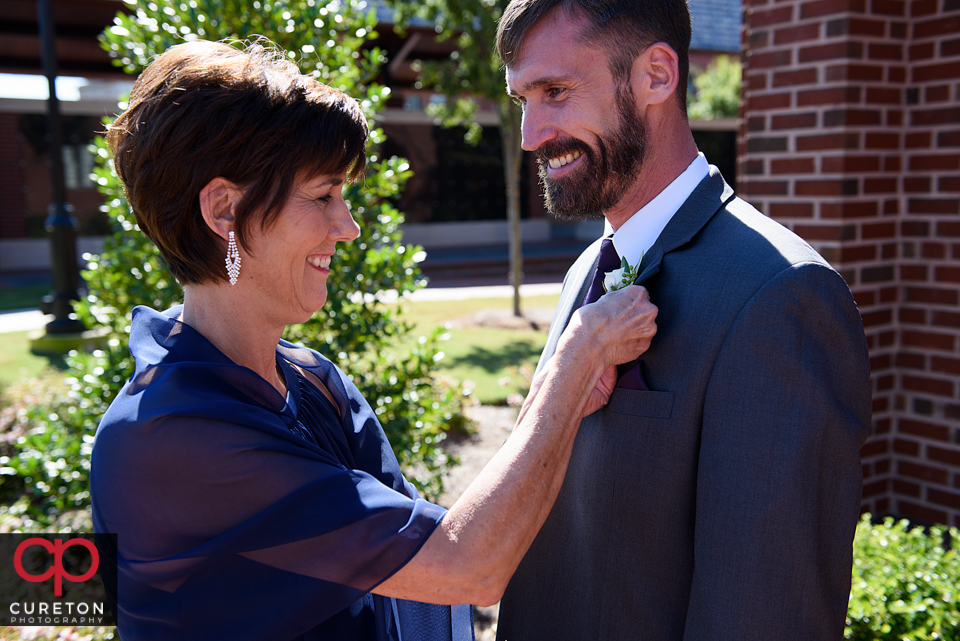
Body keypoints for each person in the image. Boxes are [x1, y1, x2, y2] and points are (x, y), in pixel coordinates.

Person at [89, 39, 657, 641]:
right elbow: (466, 565)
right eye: (323, 196)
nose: (349, 226)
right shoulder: (163, 436)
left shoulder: (312, 381)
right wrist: (569, 369)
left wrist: (564, 406)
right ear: (224, 209)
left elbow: (432, 545)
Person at [494, 1, 872, 639]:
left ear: (656, 77)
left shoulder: (782, 297)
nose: (531, 134)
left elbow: (763, 616)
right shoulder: (586, 267)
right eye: (522, 100)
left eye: (555, 91)